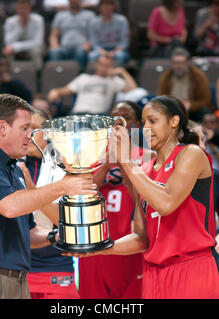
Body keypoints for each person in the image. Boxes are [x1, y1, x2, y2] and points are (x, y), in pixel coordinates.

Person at [67, 95, 219, 299]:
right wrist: (100, 248)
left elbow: (166, 204)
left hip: (191, 267)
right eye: (144, 123)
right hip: (153, 273)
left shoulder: (191, 154)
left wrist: (126, 161)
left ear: (174, 121)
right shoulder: (144, 169)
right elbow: (142, 237)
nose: (146, 129)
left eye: (153, 121)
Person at [0, 94, 97, 299]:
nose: (31, 135)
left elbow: (28, 233)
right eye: (25, 128)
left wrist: (55, 236)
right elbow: (9, 207)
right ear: (3, 128)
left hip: (18, 281)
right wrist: (63, 186)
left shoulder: (14, 169)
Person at [78, 101, 144, 299]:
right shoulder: (93, 156)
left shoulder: (147, 156)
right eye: (114, 118)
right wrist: (106, 167)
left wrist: (124, 162)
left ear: (138, 125)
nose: (119, 124)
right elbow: (81, 192)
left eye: (126, 118)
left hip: (131, 243)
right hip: (96, 240)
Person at [18, 109, 80, 299]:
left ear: (50, 133)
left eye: (35, 128)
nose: (29, 135)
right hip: (18, 267)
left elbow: (67, 224)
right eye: (24, 128)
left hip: (55, 265)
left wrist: (33, 191)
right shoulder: (11, 167)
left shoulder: (68, 167)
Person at [189, 120, 219, 258]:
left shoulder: (216, 176)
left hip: (207, 255)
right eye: (199, 141)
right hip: (176, 258)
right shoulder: (165, 174)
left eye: (203, 140)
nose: (204, 146)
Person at [47, 54, 142, 115]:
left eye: (107, 65)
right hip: (77, 114)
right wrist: (56, 91)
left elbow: (134, 89)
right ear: (96, 65)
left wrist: (122, 72)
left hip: (98, 116)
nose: (104, 68)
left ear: (111, 66)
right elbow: (65, 90)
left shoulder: (113, 81)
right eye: (102, 64)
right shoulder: (84, 77)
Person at [157, 47, 212, 122]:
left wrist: (191, 105)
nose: (179, 66)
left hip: (192, 111)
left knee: (205, 111)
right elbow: (161, 97)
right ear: (171, 63)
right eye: (176, 63)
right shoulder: (166, 77)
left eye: (182, 63)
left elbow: (206, 100)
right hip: (171, 110)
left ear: (188, 63)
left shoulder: (198, 76)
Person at [47, 0, 95, 69]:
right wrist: (54, 45)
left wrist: (88, 45)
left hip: (81, 47)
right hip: (63, 47)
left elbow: (93, 35)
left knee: (80, 52)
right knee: (54, 52)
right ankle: (56, 77)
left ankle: (79, 76)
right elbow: (54, 35)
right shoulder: (60, 15)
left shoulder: (89, 15)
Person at [2, 0, 45, 70]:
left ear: (30, 8)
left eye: (25, 8)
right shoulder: (9, 21)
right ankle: (10, 76)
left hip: (32, 48)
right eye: (21, 9)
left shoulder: (38, 19)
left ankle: (38, 75)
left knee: (36, 50)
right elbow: (8, 42)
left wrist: (16, 46)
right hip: (17, 50)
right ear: (16, 9)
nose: (23, 11)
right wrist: (20, 27)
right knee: (7, 51)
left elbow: (38, 42)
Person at [88, 0, 130, 67]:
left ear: (114, 6)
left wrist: (114, 52)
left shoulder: (122, 20)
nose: (106, 7)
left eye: (109, 4)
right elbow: (94, 43)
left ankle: (117, 76)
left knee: (120, 56)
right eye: (104, 5)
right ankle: (94, 77)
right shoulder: (94, 22)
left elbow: (124, 42)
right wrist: (103, 52)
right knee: (92, 56)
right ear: (100, 7)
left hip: (117, 49)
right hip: (101, 49)